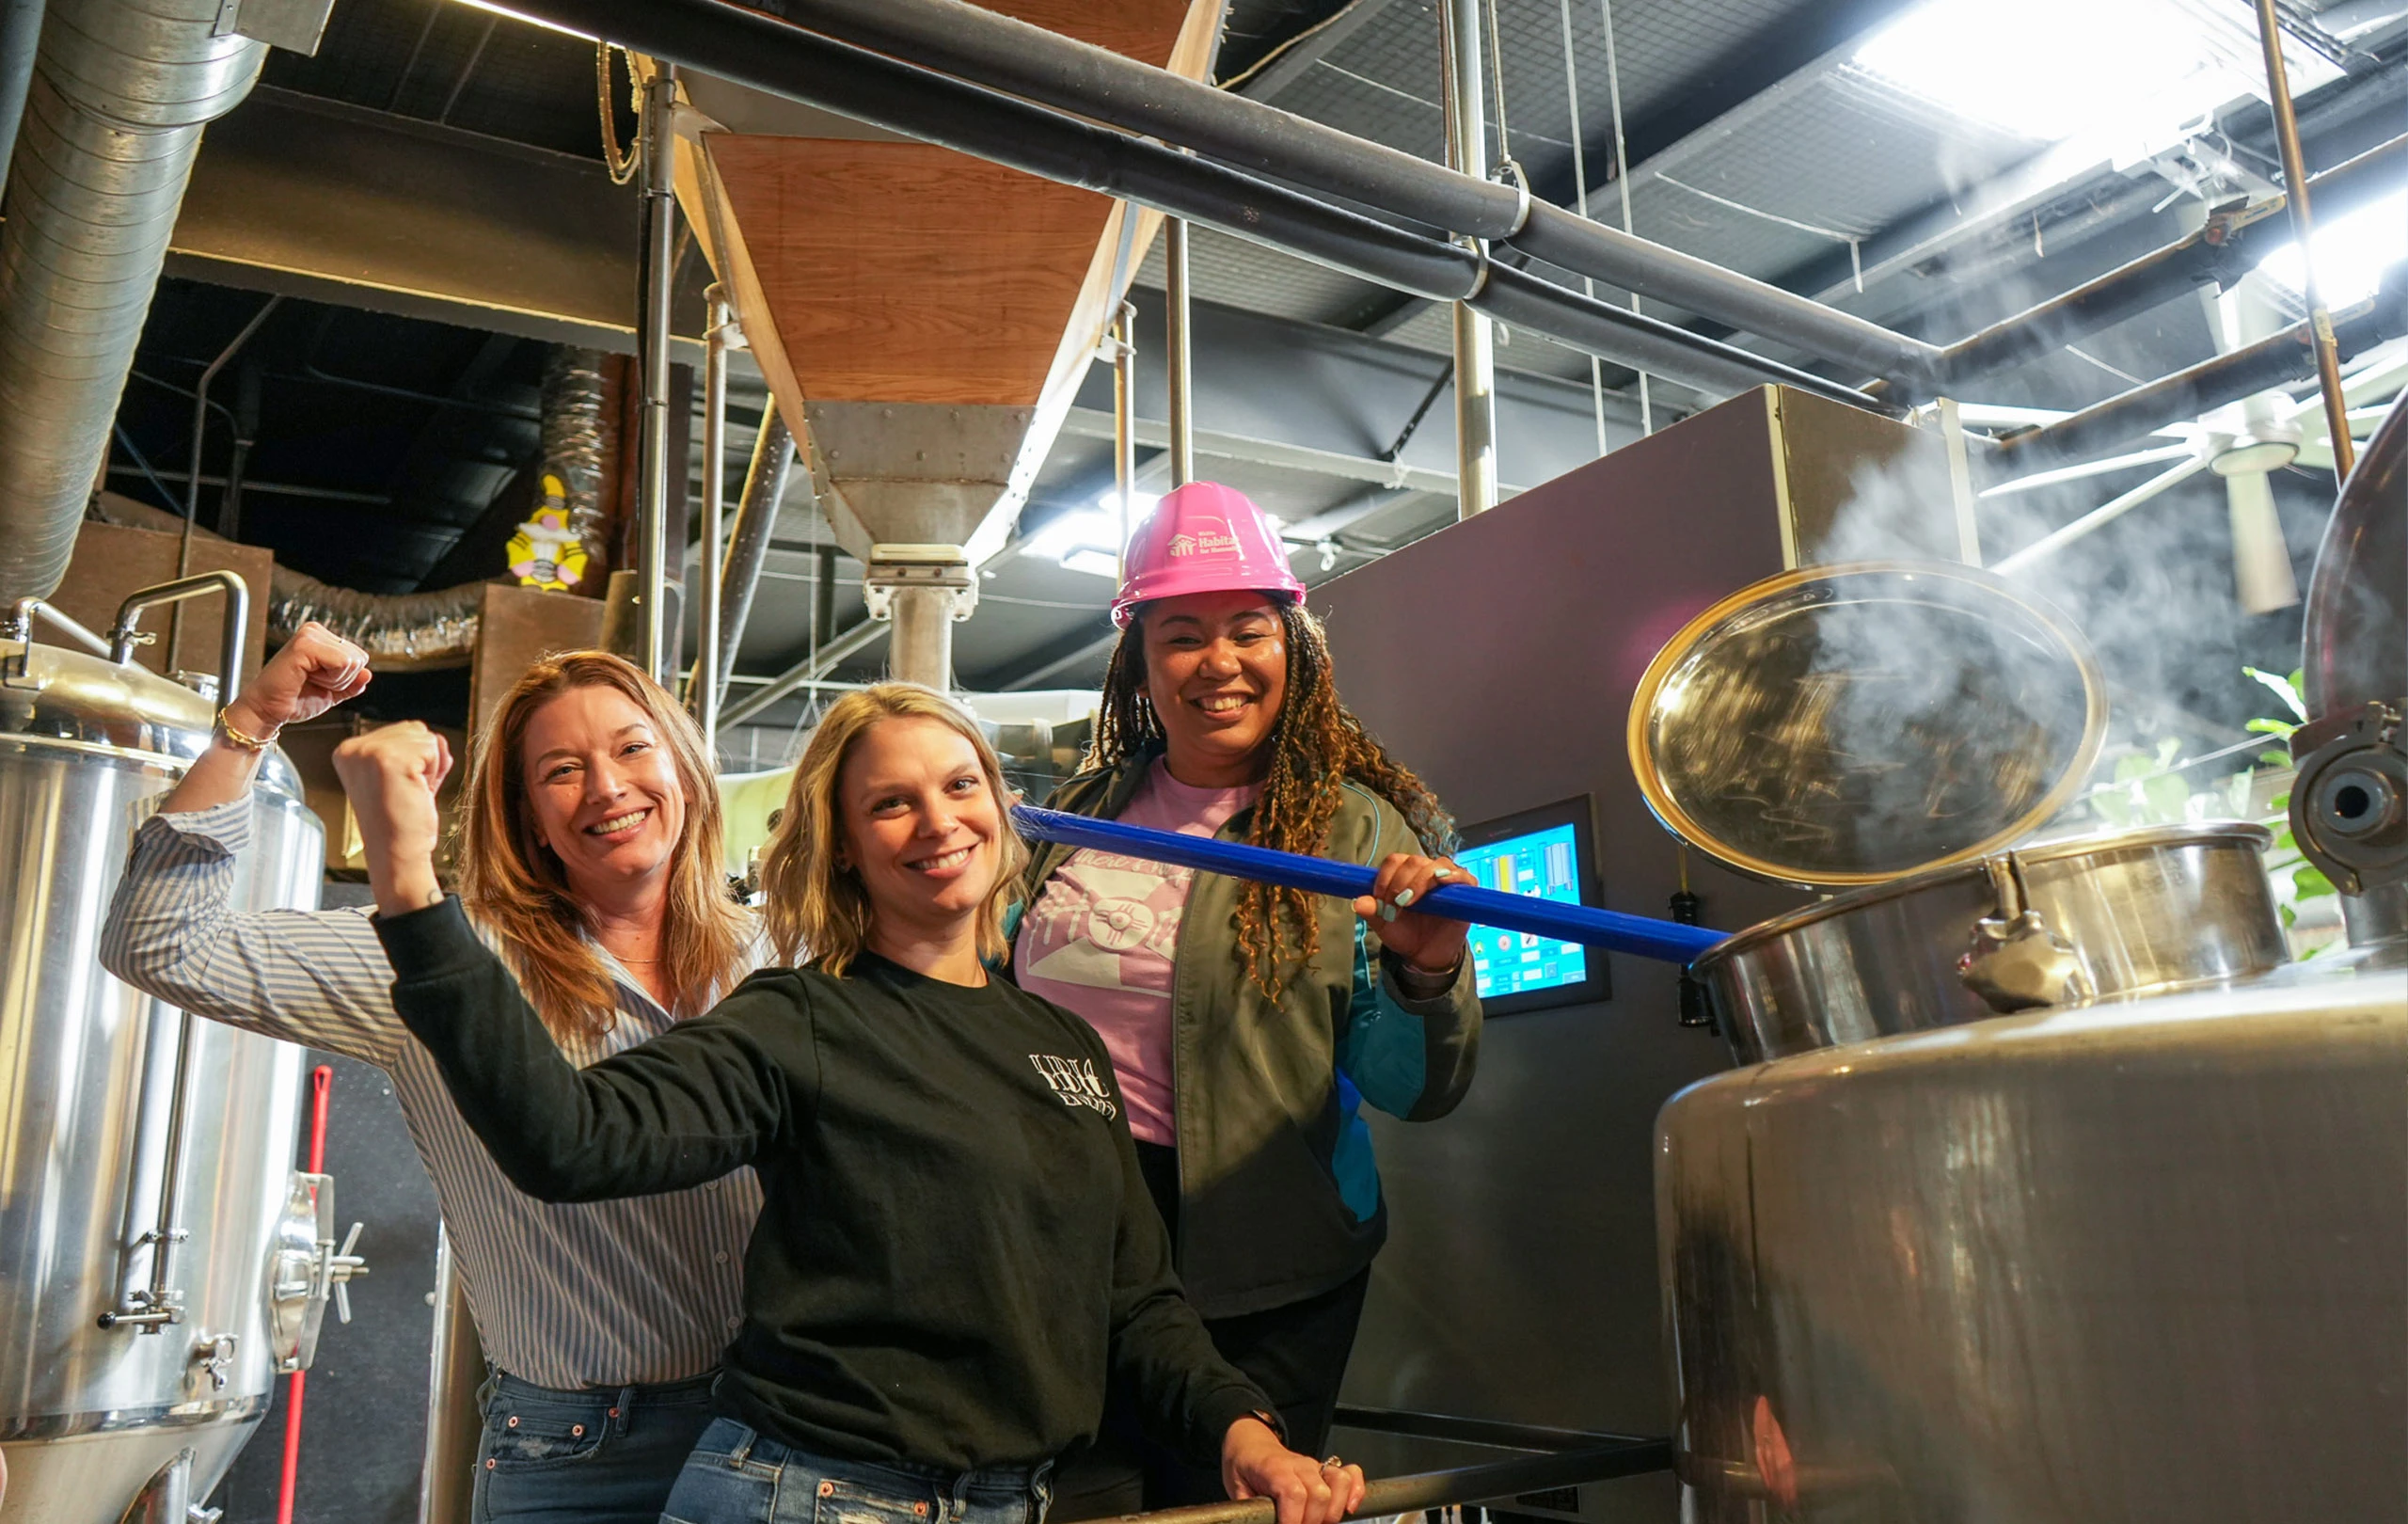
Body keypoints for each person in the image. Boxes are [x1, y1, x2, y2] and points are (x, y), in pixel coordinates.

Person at [333, 682, 1371, 1524]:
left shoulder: (1063, 1047)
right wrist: (410, 886)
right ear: (842, 843)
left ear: (999, 806)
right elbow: (572, 1141)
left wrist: (1245, 1434)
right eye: (891, 804)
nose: (938, 822)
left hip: (1008, 1502)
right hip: (813, 1499)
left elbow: (1136, 1300)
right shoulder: (800, 1019)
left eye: (959, 785)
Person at [100, 632, 761, 1524]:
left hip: (775, 1432)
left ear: (683, 768)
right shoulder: (438, 957)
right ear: (527, 818)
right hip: (582, 1454)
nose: (607, 788)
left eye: (633, 748)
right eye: (562, 771)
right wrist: (254, 723)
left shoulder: (780, 957)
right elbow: (161, 943)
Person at [1015, 481, 1481, 1513]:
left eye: (1247, 631)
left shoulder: (1357, 832)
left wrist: (1426, 971)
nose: (1217, 661)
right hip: (1072, 1242)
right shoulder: (1076, 816)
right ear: (1138, 661)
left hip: (1271, 1259)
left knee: (1233, 1507)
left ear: (1294, 648)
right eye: (1181, 635)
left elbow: (1415, 1091)